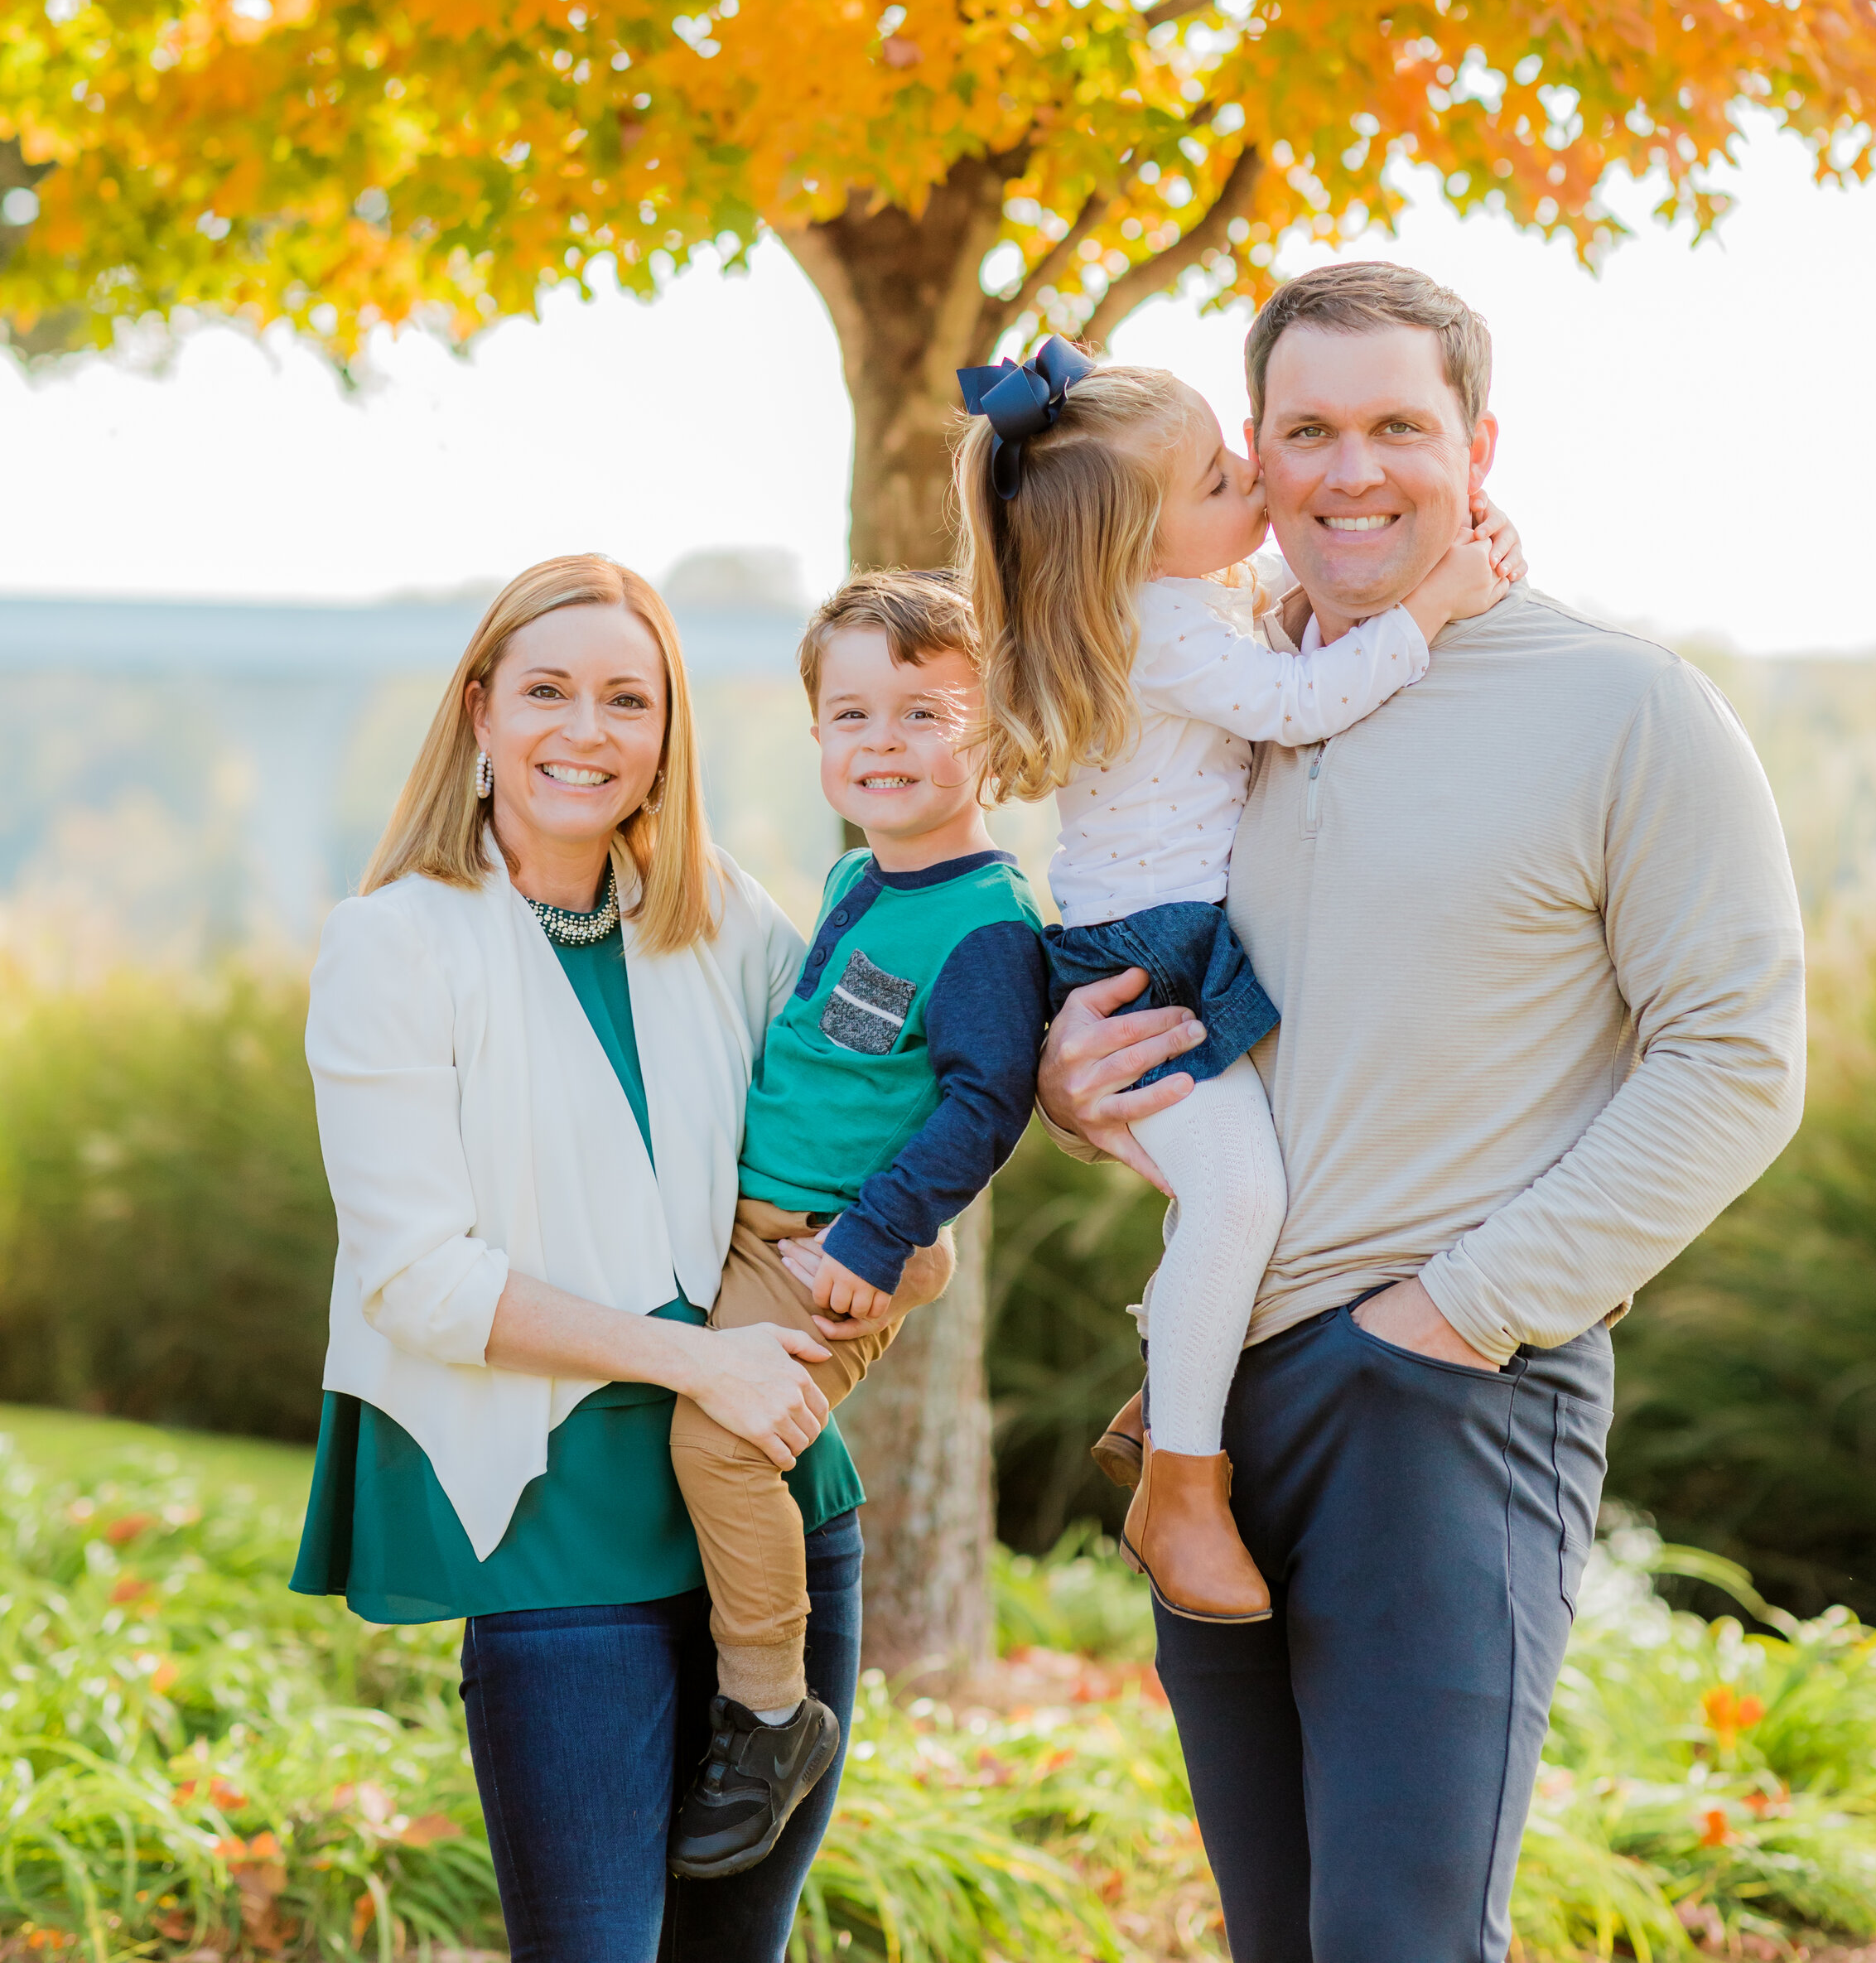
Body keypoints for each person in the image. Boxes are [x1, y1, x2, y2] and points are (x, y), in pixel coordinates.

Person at [1036, 261, 1807, 1963]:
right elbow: (1171, 984)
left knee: (1397, 1939)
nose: (1350, 471)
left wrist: (1454, 1315)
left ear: (1477, 447)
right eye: (1305, 431)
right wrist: (1070, 1083)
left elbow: (1735, 1058)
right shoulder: (1216, 703)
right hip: (1210, 1423)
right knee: (1286, 1938)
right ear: (1250, 454)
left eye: (1398, 425)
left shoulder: (1622, 707)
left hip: (1448, 1401)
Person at [292, 554, 952, 1963]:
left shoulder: (713, 910)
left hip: (772, 1507)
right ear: (478, 710)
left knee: (738, 1949)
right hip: (559, 1513)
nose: (585, 731)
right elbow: (419, 1276)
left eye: (625, 699)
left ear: (666, 735)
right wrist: (692, 1356)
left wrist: (945, 1186)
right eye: (546, 690)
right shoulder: (392, 944)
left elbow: (877, 1072)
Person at [952, 339, 1520, 1623]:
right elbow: (1305, 699)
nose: (1256, 483)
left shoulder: (1165, 602)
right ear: (1140, 541)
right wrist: (1433, 607)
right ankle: (1181, 1485)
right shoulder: (1159, 626)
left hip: (1167, 940)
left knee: (1258, 1183)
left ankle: (1177, 1383)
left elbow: (1276, 614)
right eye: (1221, 476)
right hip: (1146, 962)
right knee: (1243, 1189)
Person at [663, 570, 1049, 1874]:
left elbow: (988, 1104)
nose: (883, 742)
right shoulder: (853, 878)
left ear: (992, 733)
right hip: (751, 1222)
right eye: (852, 714)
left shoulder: (992, 924)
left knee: (719, 1446)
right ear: (819, 735)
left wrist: (881, 1243)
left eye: (925, 713)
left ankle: (770, 1710)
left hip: (824, 1254)